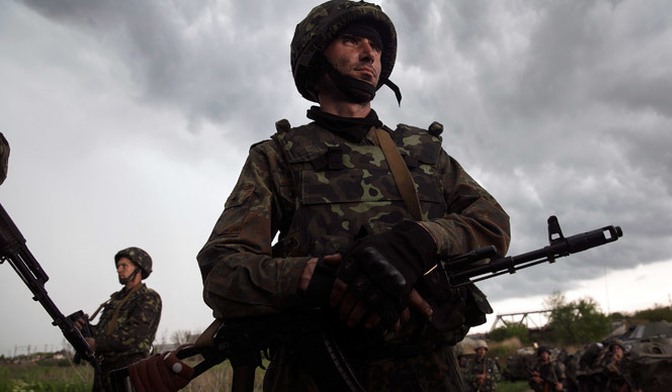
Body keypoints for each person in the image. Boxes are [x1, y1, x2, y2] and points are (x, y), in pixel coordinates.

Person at [195, 1, 511, 391]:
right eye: (351, 40)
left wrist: (424, 239)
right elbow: (222, 271)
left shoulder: (422, 151)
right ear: (316, 56)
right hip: (316, 374)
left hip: (429, 375)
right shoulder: (278, 157)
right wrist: (310, 279)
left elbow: (493, 225)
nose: (369, 54)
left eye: (376, 46)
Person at [79, 247, 162, 392]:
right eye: (118, 266)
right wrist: (83, 328)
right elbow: (101, 333)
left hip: (129, 371)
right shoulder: (114, 300)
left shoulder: (148, 297)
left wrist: (97, 343)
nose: (119, 269)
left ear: (139, 269)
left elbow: (135, 335)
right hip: (104, 370)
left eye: (124, 266)